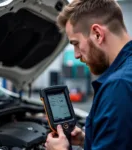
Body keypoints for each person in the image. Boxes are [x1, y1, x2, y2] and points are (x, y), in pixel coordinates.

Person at [45, 0, 132, 150]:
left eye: (76, 43)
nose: (76, 55)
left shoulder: (118, 86)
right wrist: (86, 140)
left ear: (97, 34)